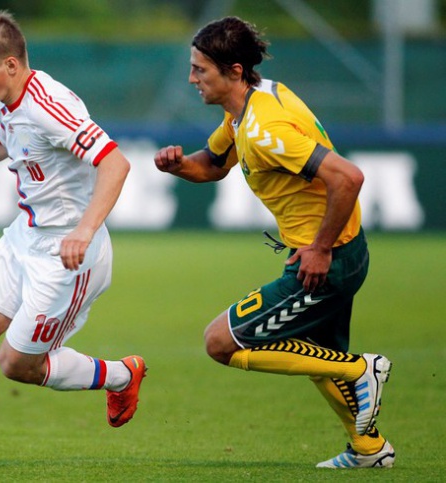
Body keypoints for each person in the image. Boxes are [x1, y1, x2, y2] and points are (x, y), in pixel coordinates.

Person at [154, 16, 394, 469]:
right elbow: (213, 163)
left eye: (200, 69)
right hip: (334, 252)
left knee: (220, 343)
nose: (191, 78)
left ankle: (363, 371)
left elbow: (348, 177)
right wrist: (178, 164)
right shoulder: (249, 105)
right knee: (319, 356)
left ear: (235, 71)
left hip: (328, 258)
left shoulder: (268, 129)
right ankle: (369, 448)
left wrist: (321, 248)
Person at [0, 11, 146, 468]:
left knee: (19, 365)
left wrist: (84, 229)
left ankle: (121, 375)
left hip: (68, 254)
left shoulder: (49, 105)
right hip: (26, 236)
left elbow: (115, 163)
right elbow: (7, 136)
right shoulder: (11, 99)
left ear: (11, 65)